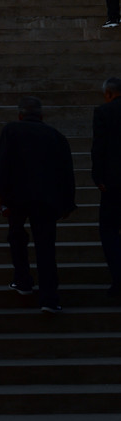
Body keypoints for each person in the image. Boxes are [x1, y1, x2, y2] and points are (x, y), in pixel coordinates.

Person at [0, 96, 76, 313]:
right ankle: (49, 298)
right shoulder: (56, 136)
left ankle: (23, 280)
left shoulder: (11, 131)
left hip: (17, 197)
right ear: (42, 116)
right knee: (46, 247)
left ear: (20, 115)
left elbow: (3, 163)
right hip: (46, 199)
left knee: (16, 236)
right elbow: (67, 172)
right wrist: (68, 202)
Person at [92, 75, 121, 302]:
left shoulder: (104, 112)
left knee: (109, 231)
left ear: (109, 94)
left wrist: (98, 177)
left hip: (113, 183)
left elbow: (99, 146)